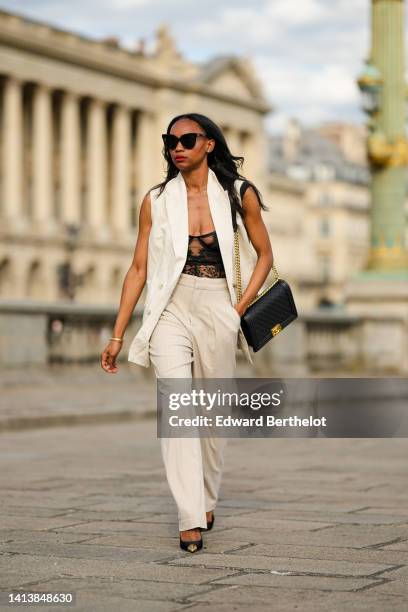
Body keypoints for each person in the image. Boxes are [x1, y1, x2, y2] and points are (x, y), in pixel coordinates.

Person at [101, 112, 273, 553]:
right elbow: (138, 268)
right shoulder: (156, 200)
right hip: (170, 307)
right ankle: (190, 516)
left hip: (219, 303)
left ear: (209, 144)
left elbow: (265, 255)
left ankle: (207, 497)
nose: (177, 147)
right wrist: (118, 334)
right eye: (170, 140)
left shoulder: (239, 193)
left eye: (188, 139)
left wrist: (237, 308)